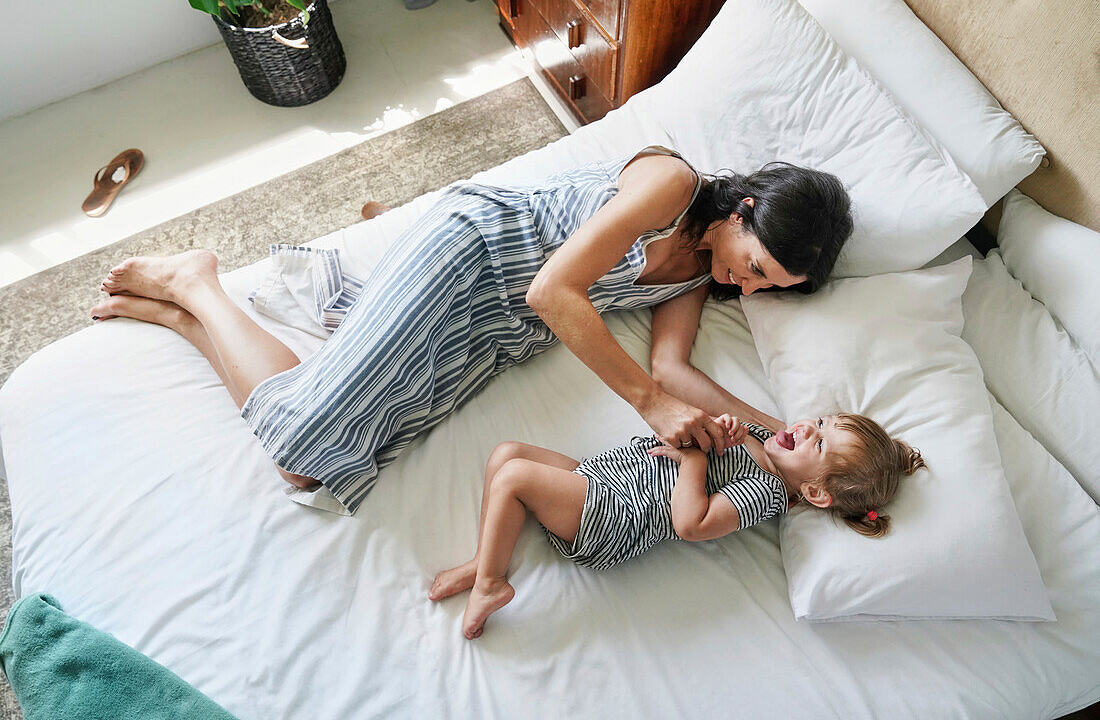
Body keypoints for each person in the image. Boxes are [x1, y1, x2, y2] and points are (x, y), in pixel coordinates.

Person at [93, 146, 853, 515]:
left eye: (765, 289)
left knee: (327, 461)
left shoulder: (696, 274)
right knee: (302, 451)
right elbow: (554, 288)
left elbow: (676, 371)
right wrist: (648, 406)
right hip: (476, 255)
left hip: (501, 333)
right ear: (745, 207)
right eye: (754, 266)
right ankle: (197, 283)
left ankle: (182, 315)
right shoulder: (672, 184)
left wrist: (781, 436)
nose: (741, 286)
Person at [429, 411, 924, 639]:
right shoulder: (756, 435)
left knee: (514, 477)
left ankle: (492, 584)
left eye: (818, 444)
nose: (806, 427)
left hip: (614, 514)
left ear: (815, 492)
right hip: (602, 475)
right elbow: (703, 433)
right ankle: (482, 560)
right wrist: (719, 428)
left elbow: (691, 523)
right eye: (820, 420)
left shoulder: (768, 494)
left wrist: (694, 457)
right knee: (507, 454)